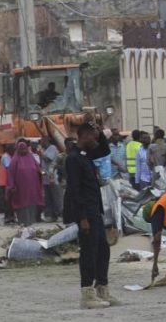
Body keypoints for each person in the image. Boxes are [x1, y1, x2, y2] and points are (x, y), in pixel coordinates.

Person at [64, 123, 118, 309]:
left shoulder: (86, 156)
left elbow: (103, 149)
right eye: (93, 137)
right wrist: (82, 217)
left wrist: (101, 132)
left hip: (96, 210)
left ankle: (102, 288)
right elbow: (74, 190)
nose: (95, 141)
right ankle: (87, 293)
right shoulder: (73, 159)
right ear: (84, 136)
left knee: (103, 249)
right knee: (89, 251)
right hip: (86, 212)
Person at [6, 140, 44, 226]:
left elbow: (38, 170)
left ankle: (30, 226)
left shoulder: (31, 158)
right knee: (22, 208)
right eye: (21, 149)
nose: (23, 151)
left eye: (24, 149)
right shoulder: (14, 161)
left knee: (31, 207)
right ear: (18, 150)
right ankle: (23, 226)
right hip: (20, 191)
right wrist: (11, 186)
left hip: (32, 190)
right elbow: (11, 174)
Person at [41, 137, 63, 222]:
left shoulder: (52, 148)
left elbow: (48, 159)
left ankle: (60, 214)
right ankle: (50, 215)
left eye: (42, 141)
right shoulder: (46, 150)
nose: (41, 142)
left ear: (47, 141)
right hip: (46, 179)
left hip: (53, 178)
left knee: (56, 197)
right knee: (48, 198)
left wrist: (41, 154)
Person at [0, 144, 16, 224]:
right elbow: (9, 168)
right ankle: (8, 217)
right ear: (9, 150)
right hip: (5, 182)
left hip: (8, 182)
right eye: (13, 149)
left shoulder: (10, 156)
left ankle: (11, 217)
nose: (14, 151)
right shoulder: (6, 157)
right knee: (7, 201)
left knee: (10, 201)